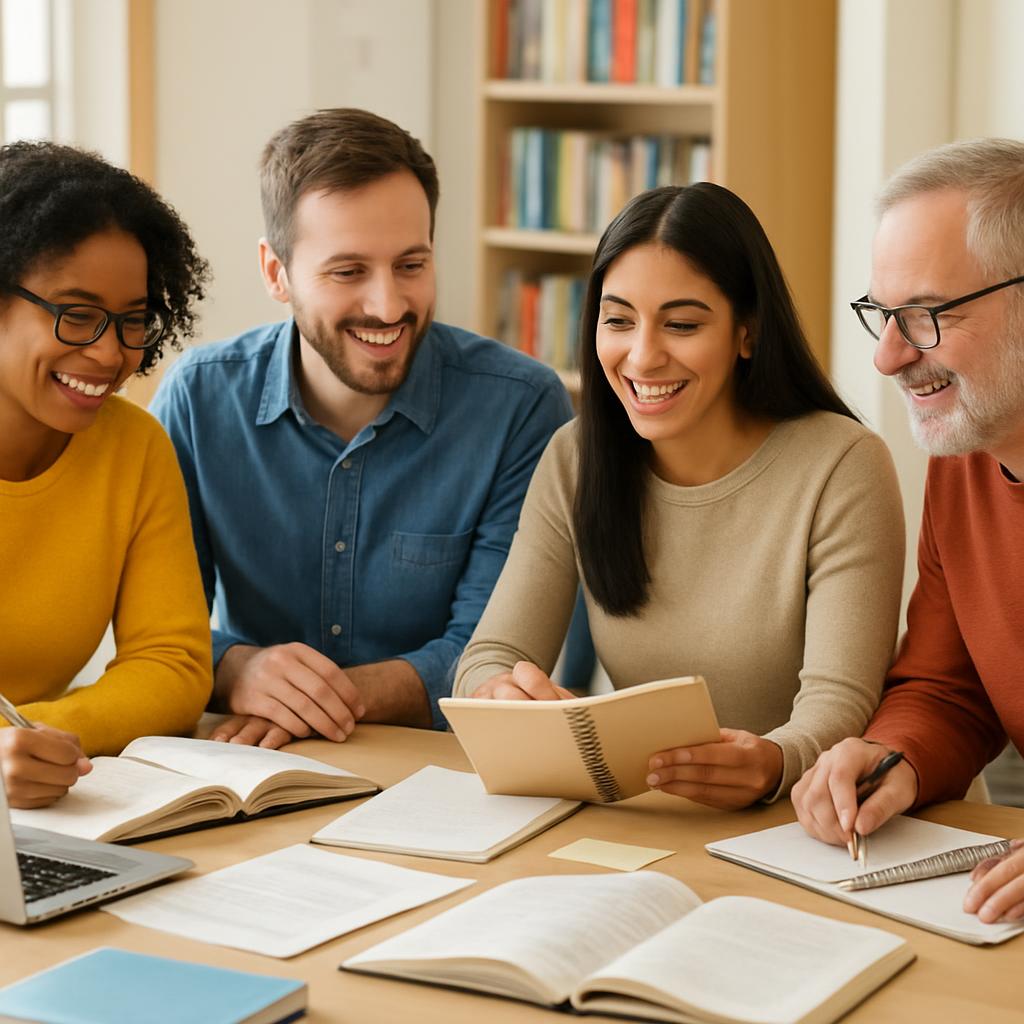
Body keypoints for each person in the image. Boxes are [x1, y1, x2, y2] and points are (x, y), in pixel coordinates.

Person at [454, 183, 906, 808]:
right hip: (671, 823)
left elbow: (841, 704)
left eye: (683, 324)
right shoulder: (575, 457)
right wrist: (501, 694)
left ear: (747, 333)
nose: (642, 356)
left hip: (836, 820)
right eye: (617, 321)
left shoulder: (844, 465)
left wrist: (775, 762)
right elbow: (490, 655)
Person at [151, 109, 572, 749]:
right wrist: (235, 668)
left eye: (411, 264)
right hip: (245, 764)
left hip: (444, 772)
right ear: (276, 273)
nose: (387, 305)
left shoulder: (521, 407)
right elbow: (156, 629)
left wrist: (313, 701)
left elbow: (490, 652)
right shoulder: (198, 398)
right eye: (348, 272)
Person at [792, 138, 1024, 923]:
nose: (890, 357)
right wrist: (894, 757)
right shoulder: (967, 459)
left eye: (925, 315)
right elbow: (947, 687)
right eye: (883, 315)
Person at [0, 141, 213, 808]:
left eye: (130, 322)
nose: (110, 354)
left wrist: (44, 735)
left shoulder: (134, 448)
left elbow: (173, 665)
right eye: (78, 313)